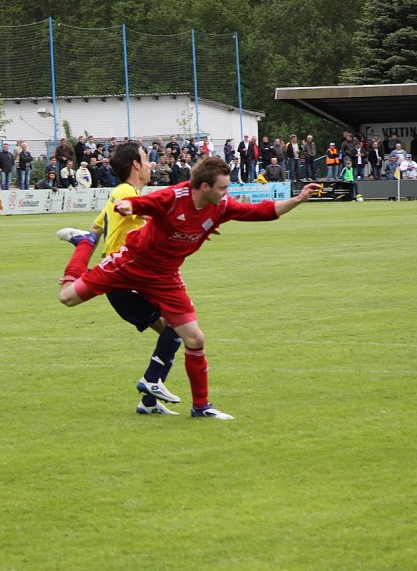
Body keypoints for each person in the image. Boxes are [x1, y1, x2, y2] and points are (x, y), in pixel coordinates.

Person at [56, 155, 316, 420]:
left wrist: (298, 199)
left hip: (165, 276)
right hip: (131, 263)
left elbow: (260, 212)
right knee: (67, 297)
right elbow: (142, 202)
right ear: (204, 187)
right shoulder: (173, 197)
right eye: (222, 188)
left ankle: (201, 406)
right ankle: (85, 243)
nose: (227, 194)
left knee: (195, 338)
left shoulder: (221, 205)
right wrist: (127, 206)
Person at [56, 142, 187, 414]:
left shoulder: (121, 193)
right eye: (146, 158)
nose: (151, 164)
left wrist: (81, 249)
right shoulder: (125, 191)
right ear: (136, 165)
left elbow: (95, 231)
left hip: (128, 278)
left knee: (173, 333)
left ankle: (149, 402)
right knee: (181, 326)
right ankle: (151, 381)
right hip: (128, 277)